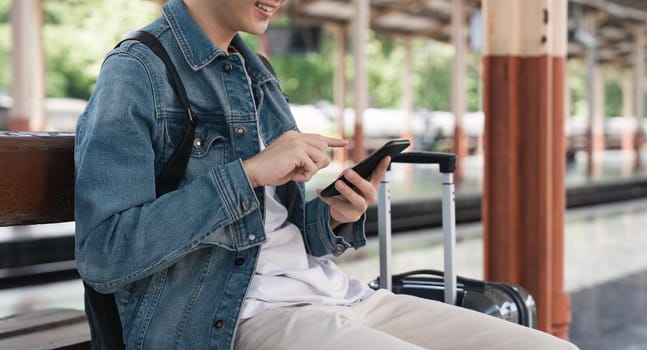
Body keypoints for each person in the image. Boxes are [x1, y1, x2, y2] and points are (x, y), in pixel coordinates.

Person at [74, 0, 580, 349]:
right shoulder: (137, 71)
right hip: (232, 320)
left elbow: (280, 235)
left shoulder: (257, 77)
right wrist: (248, 173)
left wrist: (335, 218)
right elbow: (105, 252)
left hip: (338, 296)